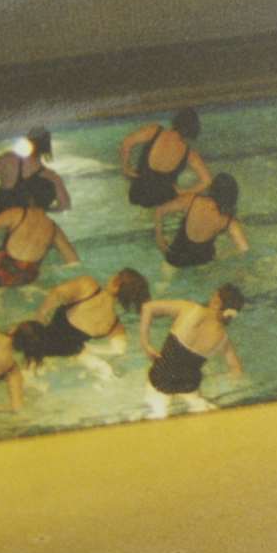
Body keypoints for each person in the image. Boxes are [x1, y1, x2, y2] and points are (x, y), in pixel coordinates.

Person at [140, 284, 246, 415]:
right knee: (201, 408)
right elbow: (237, 371)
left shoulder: (190, 309)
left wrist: (146, 345)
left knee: (157, 416)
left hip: (160, 381)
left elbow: (147, 307)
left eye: (214, 294)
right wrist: (215, 378)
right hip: (189, 386)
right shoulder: (223, 339)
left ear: (217, 302)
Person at [35, 268, 151, 363]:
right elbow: (119, 349)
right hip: (67, 353)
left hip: (38, 341)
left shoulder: (88, 286)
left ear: (116, 282)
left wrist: (41, 314)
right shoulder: (113, 324)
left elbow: (57, 292)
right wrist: (88, 350)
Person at [0, 195, 78, 288]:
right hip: (27, 276)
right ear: (50, 202)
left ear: (30, 199)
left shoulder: (17, 213)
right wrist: (51, 269)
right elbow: (73, 261)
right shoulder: (53, 228)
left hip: (2, 273)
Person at [122, 107, 211, 208]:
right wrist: (184, 191)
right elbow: (207, 180)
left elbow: (127, 142)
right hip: (163, 199)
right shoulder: (189, 154)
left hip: (138, 193)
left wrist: (126, 167)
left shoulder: (154, 131)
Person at [155, 173, 248, 267]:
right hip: (202, 262)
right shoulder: (228, 221)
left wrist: (160, 239)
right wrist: (223, 255)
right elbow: (244, 249)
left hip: (175, 256)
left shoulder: (191, 200)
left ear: (212, 188)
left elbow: (159, 210)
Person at [0, 127, 71, 218]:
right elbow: (65, 205)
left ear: (28, 142)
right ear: (47, 148)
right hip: (27, 224)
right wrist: (45, 209)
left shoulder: (8, 160)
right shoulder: (51, 176)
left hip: (0, 217)